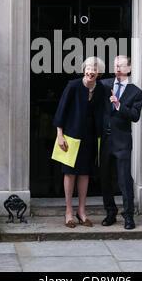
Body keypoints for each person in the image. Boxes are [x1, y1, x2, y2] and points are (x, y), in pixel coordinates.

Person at [53, 56, 105, 228]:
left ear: (99, 72)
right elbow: (61, 111)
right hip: (71, 136)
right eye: (89, 68)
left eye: (95, 69)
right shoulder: (73, 86)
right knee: (69, 173)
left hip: (90, 137)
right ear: (84, 70)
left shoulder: (101, 89)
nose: (91, 71)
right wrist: (60, 135)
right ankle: (69, 212)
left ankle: (81, 211)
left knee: (84, 173)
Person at [100, 55, 142, 230]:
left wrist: (119, 105)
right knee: (104, 179)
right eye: (116, 65)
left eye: (121, 66)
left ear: (129, 69)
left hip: (123, 141)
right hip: (104, 140)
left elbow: (135, 116)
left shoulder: (135, 92)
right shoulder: (104, 86)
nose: (117, 69)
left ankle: (128, 215)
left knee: (124, 179)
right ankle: (110, 212)